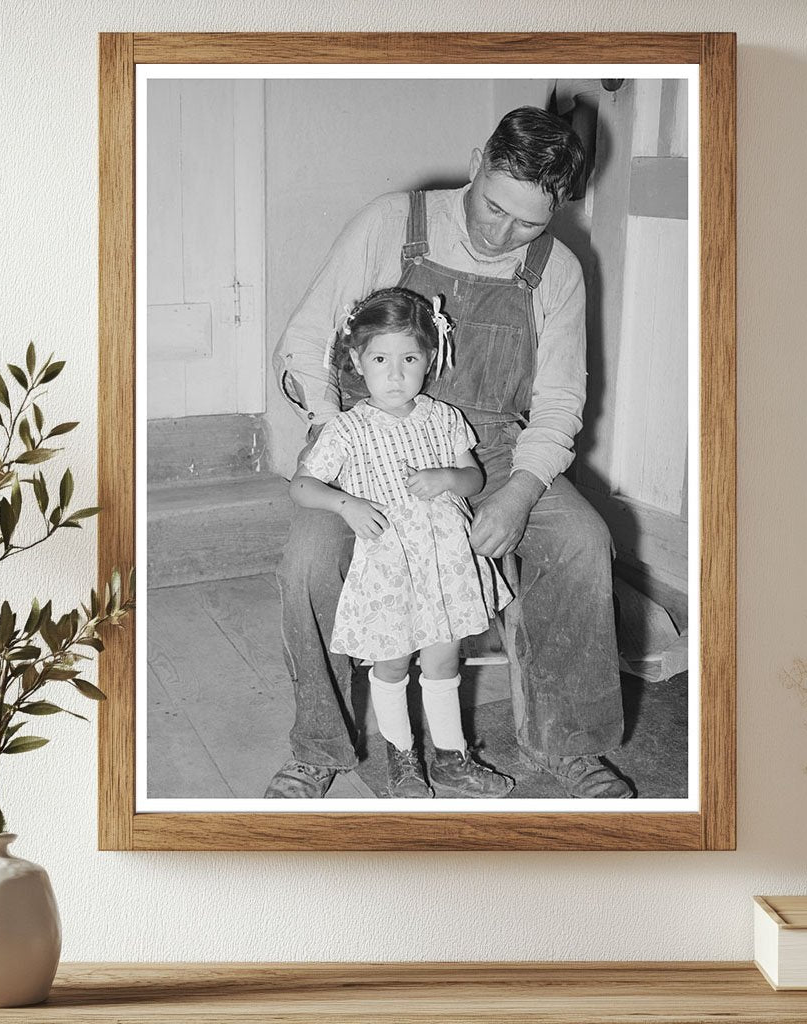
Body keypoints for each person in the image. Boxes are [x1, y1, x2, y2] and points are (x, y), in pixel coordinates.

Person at [267, 105, 633, 800]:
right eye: (492, 206)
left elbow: (558, 405)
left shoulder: (558, 270)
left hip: (490, 448)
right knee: (310, 561)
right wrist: (332, 429)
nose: (500, 234)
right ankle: (319, 744)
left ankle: (568, 742)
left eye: (527, 221)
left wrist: (520, 494)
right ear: (475, 163)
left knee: (583, 541)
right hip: (370, 439)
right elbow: (304, 341)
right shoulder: (391, 223)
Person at [289, 287, 514, 799]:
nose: (395, 374)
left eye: (409, 358)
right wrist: (346, 504)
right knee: (391, 663)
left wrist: (448, 479)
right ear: (356, 360)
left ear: (430, 360)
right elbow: (302, 487)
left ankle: (453, 756)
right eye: (381, 359)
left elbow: (473, 479)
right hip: (390, 567)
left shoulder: (443, 418)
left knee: (443, 660)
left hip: (447, 563)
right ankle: (403, 757)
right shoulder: (348, 430)